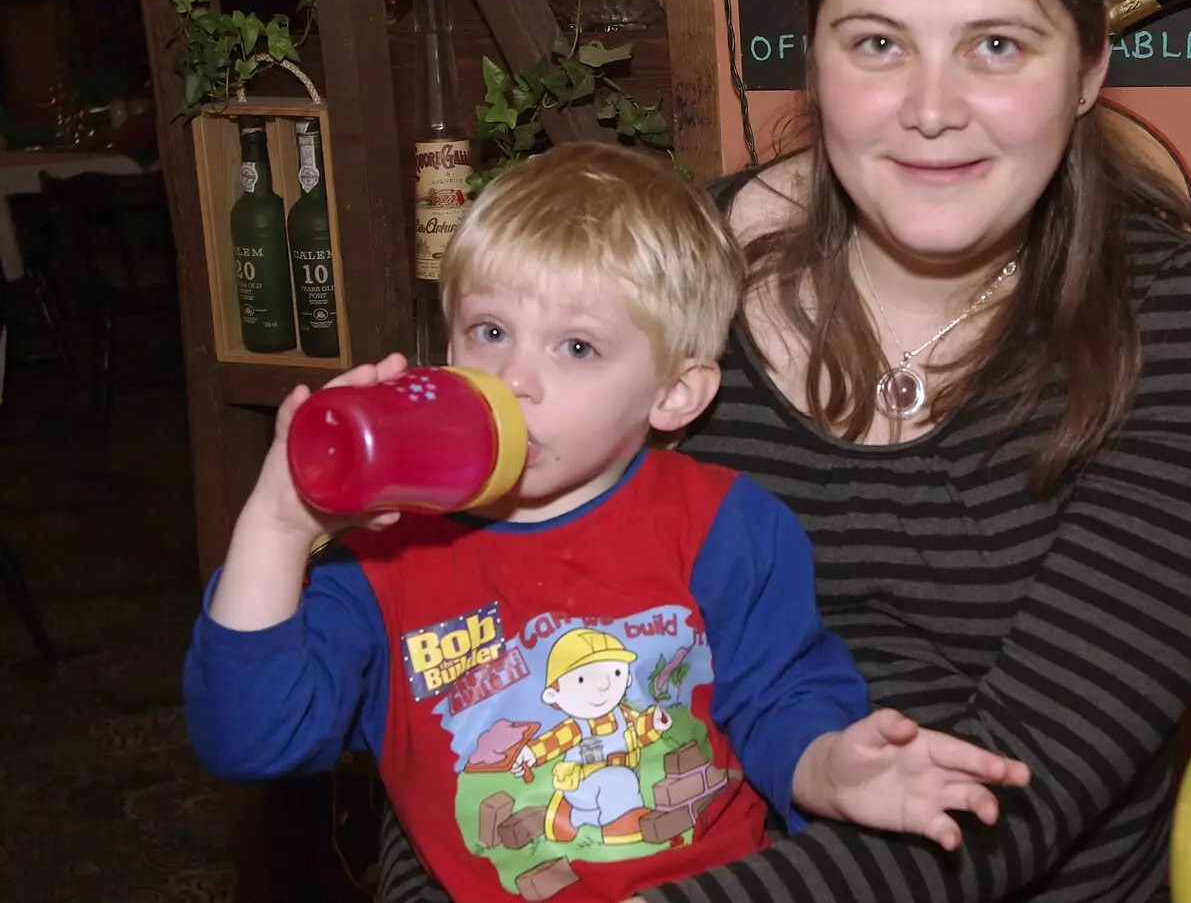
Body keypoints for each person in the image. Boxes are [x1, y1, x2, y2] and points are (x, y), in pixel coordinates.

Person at [382, 0, 1191, 896]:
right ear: (813, 57)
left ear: (1086, 69)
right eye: (877, 43)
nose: (930, 106)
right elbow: (462, 653)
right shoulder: (650, 302)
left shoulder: (1177, 323)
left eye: (996, 44)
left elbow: (1010, 794)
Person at [181, 142, 1033, 903]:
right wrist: (281, 527)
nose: (515, 380)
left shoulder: (725, 526)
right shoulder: (384, 557)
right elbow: (251, 740)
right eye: (489, 330)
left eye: (576, 347)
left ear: (674, 396)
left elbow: (779, 703)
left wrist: (826, 771)